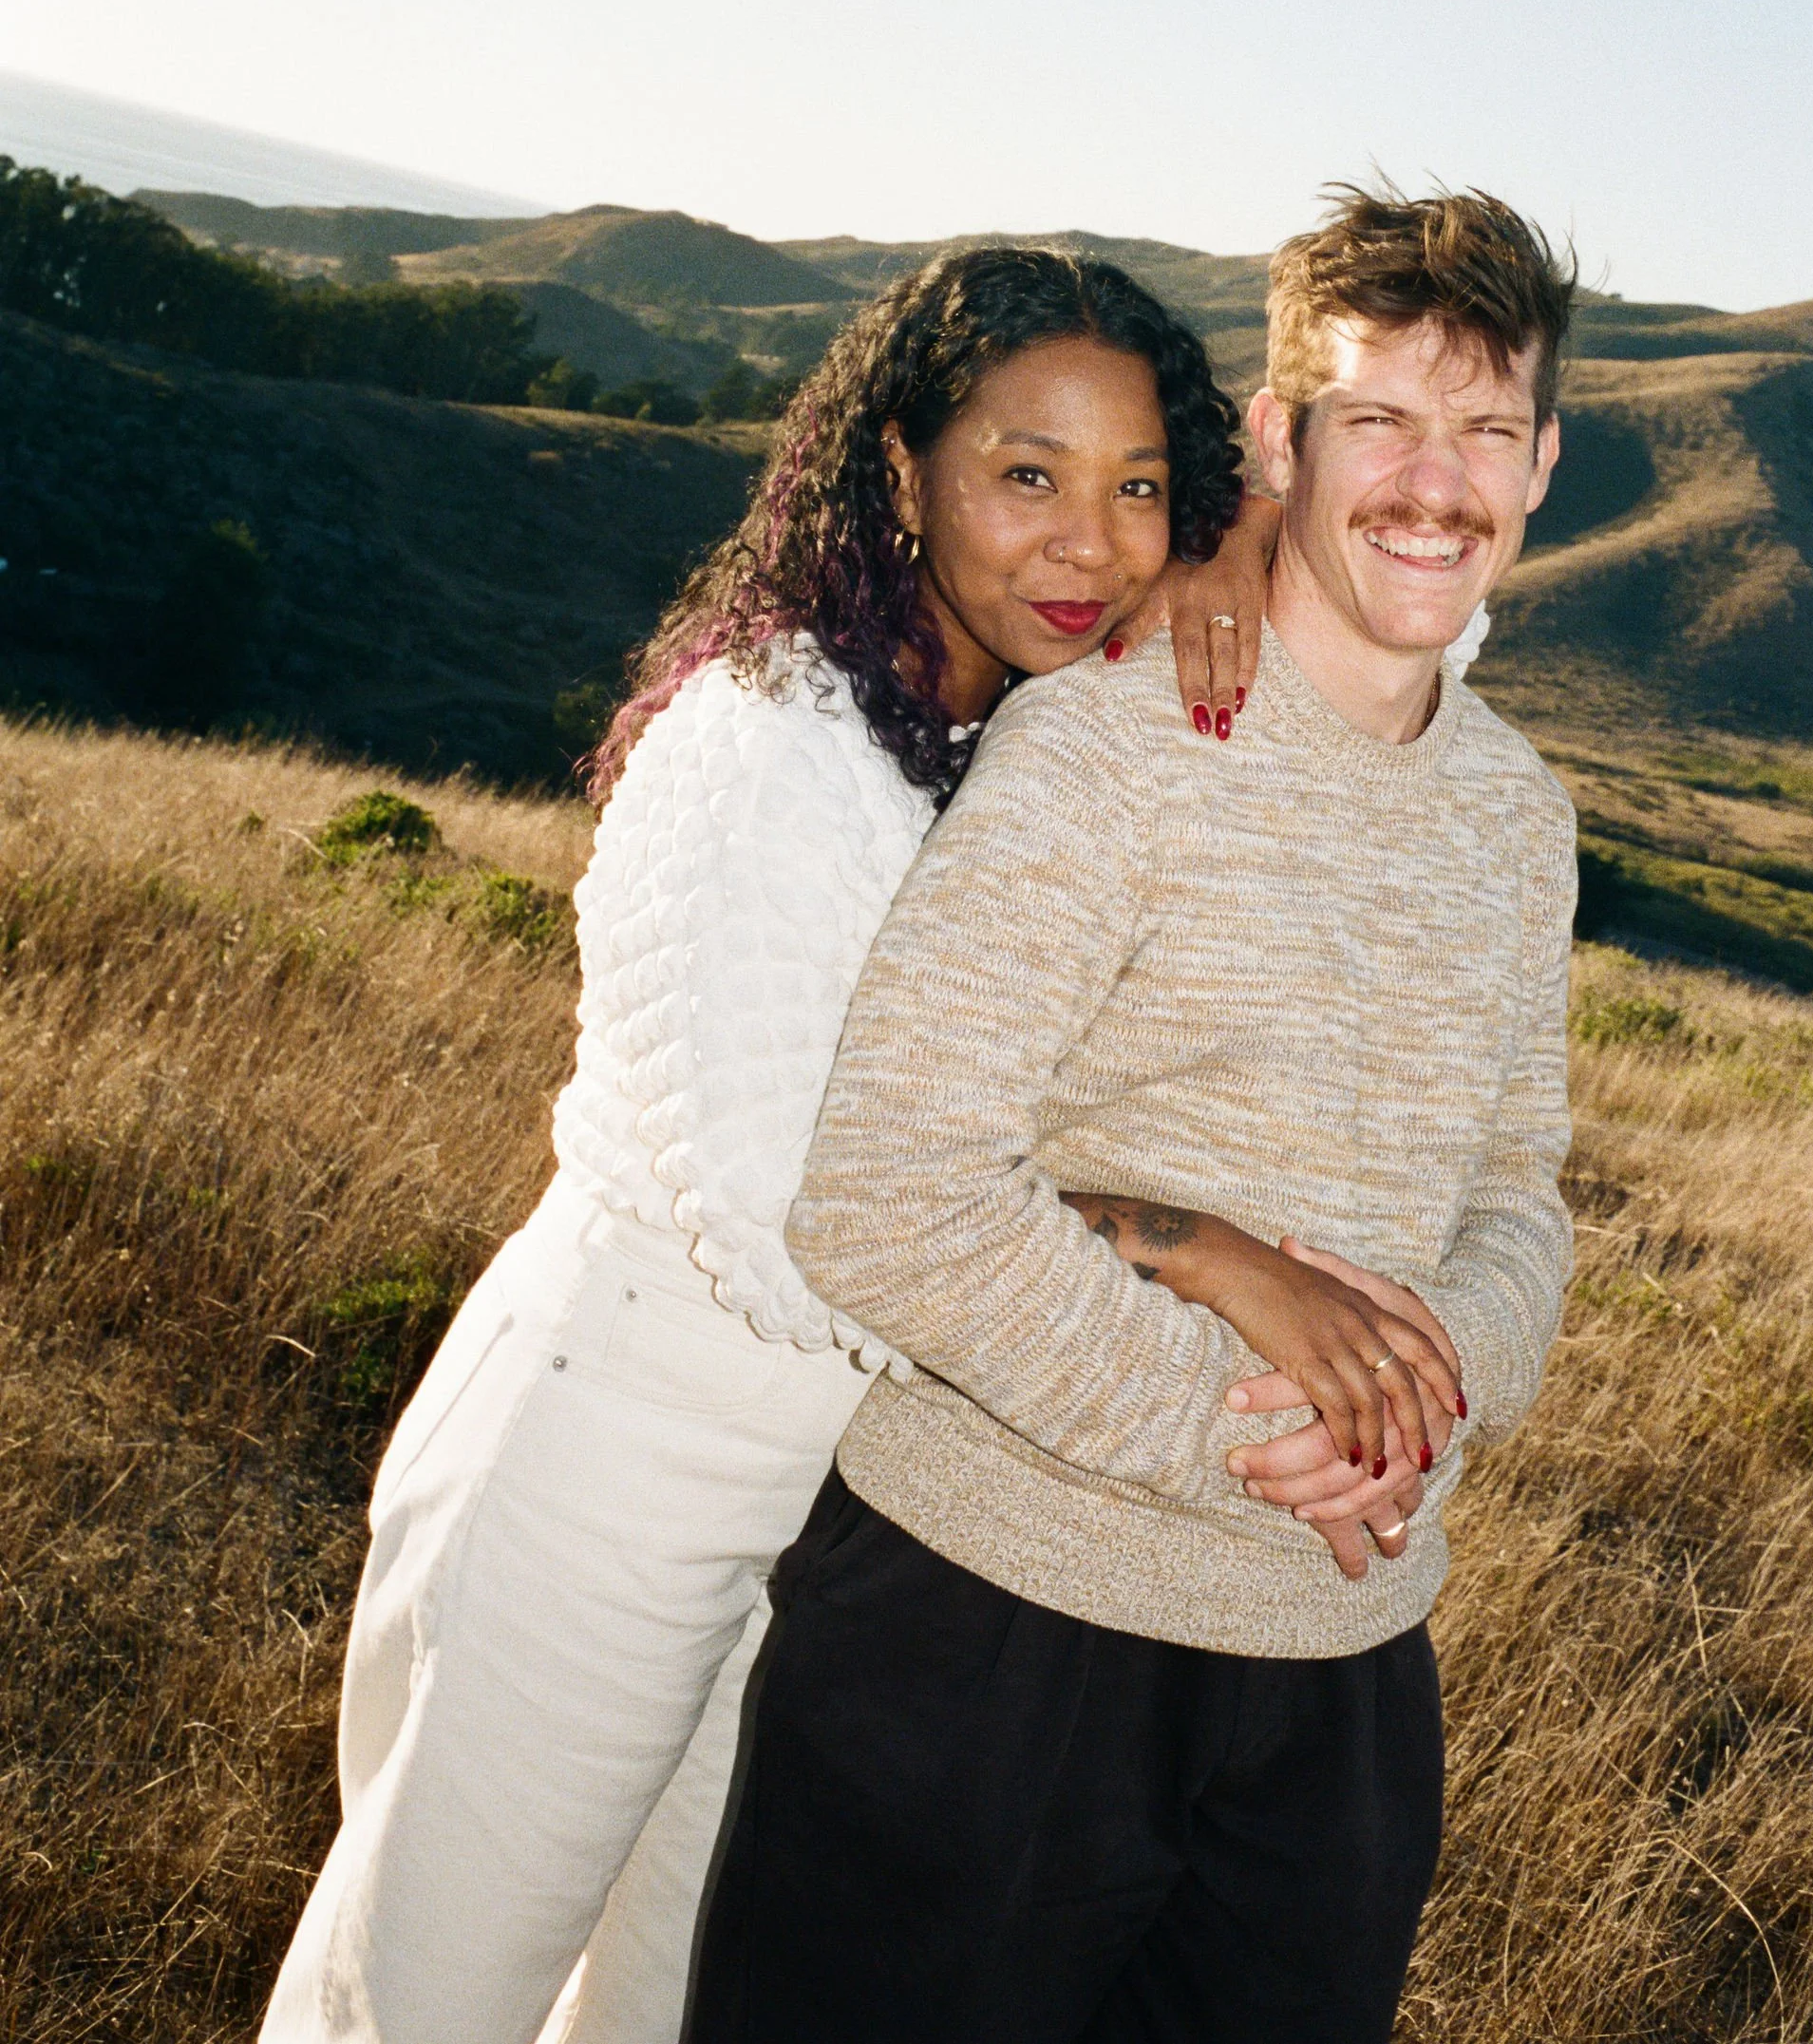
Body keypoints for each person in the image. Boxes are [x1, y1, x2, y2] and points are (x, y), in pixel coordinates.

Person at [259, 244, 1440, 2044]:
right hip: (616, 1447)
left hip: (840, 1517)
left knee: (663, 2009)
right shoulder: (769, 747)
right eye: (1024, 475)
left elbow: (1427, 612)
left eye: (1137, 490)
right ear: (903, 465)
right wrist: (1203, 1253)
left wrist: (1245, 536)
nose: (1087, 544)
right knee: (420, 1996)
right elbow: (808, 1212)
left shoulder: (1016, 725)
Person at [688, 185, 1581, 2044]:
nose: (1436, 480)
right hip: (993, 1633)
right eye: (1381, 421)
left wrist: (1431, 1393)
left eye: (1484, 427)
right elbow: (889, 1199)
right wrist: (1254, 1433)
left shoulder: (1519, 815)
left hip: (1338, 1676)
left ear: (1544, 460)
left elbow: (1516, 1188)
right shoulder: (1102, 742)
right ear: (1275, 443)